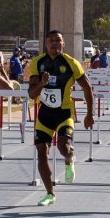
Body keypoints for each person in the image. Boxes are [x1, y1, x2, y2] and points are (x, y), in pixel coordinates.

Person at [27, 29, 95, 207]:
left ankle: (69, 158)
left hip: (64, 113)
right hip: (45, 114)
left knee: (63, 147)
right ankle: (50, 193)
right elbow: (32, 94)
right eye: (50, 40)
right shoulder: (37, 63)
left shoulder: (71, 63)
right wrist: (42, 83)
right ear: (46, 44)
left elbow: (87, 88)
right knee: (42, 153)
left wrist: (90, 114)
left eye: (58, 40)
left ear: (63, 44)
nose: (54, 43)